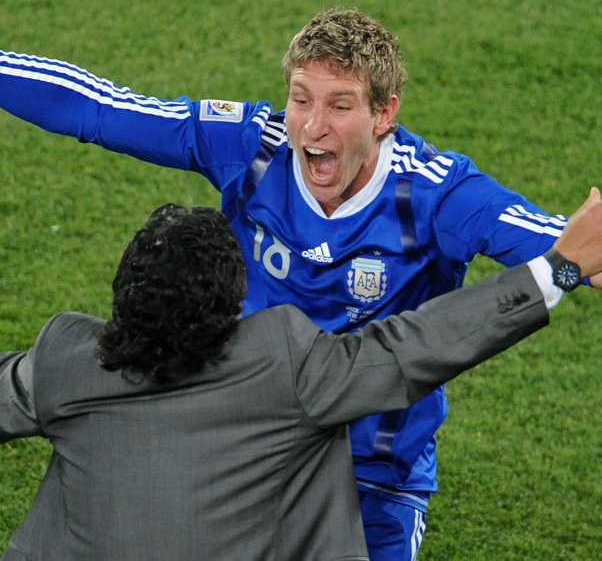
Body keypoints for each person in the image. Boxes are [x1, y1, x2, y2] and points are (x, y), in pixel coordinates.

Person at [0, 8, 597, 559]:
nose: (313, 126)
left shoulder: (438, 195)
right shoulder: (251, 147)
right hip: (250, 441)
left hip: (374, 471)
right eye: (301, 99)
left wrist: (580, 264)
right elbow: (99, 110)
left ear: (384, 114)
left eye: (340, 106)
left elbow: (567, 244)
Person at [2, 191, 602, 560]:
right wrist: (561, 267)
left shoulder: (65, 361)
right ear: (232, 305)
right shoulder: (284, 366)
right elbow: (417, 345)